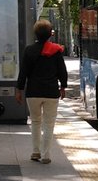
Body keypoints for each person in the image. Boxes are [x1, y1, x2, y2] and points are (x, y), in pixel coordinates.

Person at [14, 19, 67, 164]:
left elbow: (23, 72)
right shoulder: (56, 51)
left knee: (36, 122)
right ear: (50, 34)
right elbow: (62, 71)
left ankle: (35, 152)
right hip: (51, 92)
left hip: (33, 92)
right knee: (49, 124)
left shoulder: (29, 50)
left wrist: (19, 89)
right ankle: (46, 154)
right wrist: (63, 86)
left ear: (35, 34)